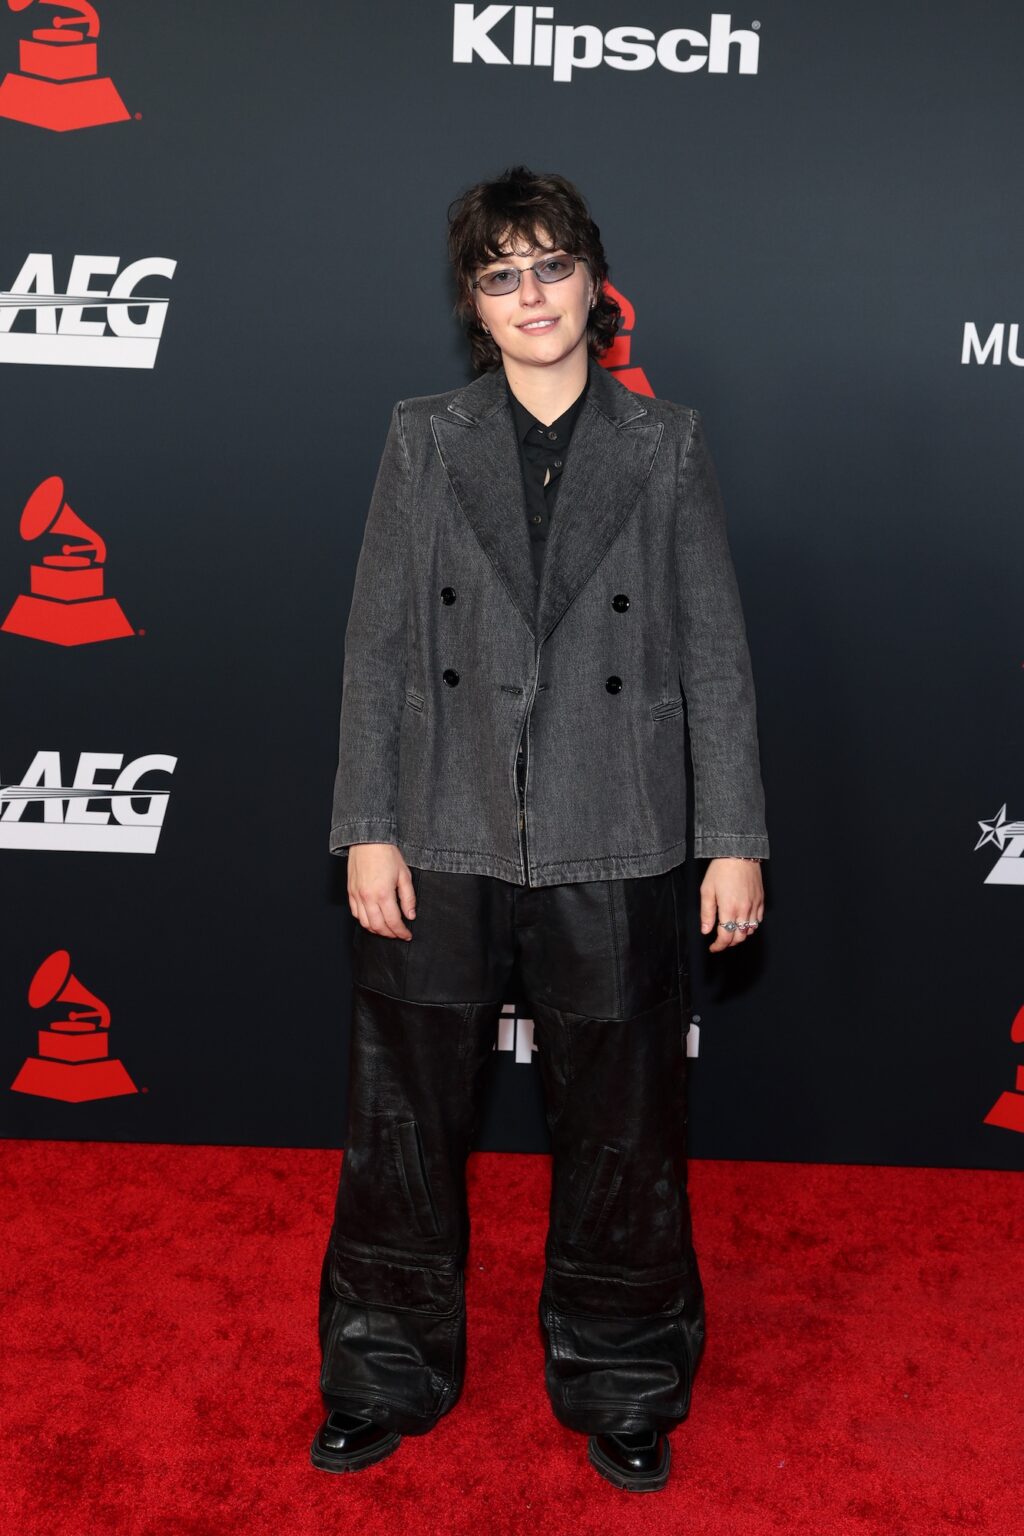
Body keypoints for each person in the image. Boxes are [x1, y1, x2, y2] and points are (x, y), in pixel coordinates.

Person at [311, 165, 769, 1493]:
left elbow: (718, 658)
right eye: (503, 274)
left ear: (592, 282)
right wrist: (367, 825)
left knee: (625, 1131)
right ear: (474, 301)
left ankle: (625, 1375)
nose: (532, 295)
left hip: (615, 830)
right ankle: (383, 1367)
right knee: (402, 1120)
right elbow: (378, 647)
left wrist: (731, 831)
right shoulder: (422, 437)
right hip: (442, 829)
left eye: (552, 265)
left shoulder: (666, 442)